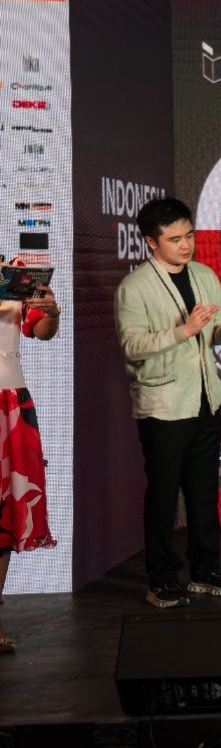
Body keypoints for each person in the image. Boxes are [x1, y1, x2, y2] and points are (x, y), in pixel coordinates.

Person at [115, 199, 221, 608]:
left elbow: (214, 328)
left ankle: (205, 571)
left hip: (206, 400)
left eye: (189, 235)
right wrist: (183, 330)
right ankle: (161, 578)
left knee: (204, 491)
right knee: (163, 495)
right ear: (151, 242)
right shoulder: (134, 287)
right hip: (164, 404)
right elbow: (132, 346)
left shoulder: (204, 275)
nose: (186, 245)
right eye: (174, 239)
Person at [0, 262, 59, 652]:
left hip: (10, 404)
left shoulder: (15, 275)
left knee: (5, 515)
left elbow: (41, 331)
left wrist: (51, 312)